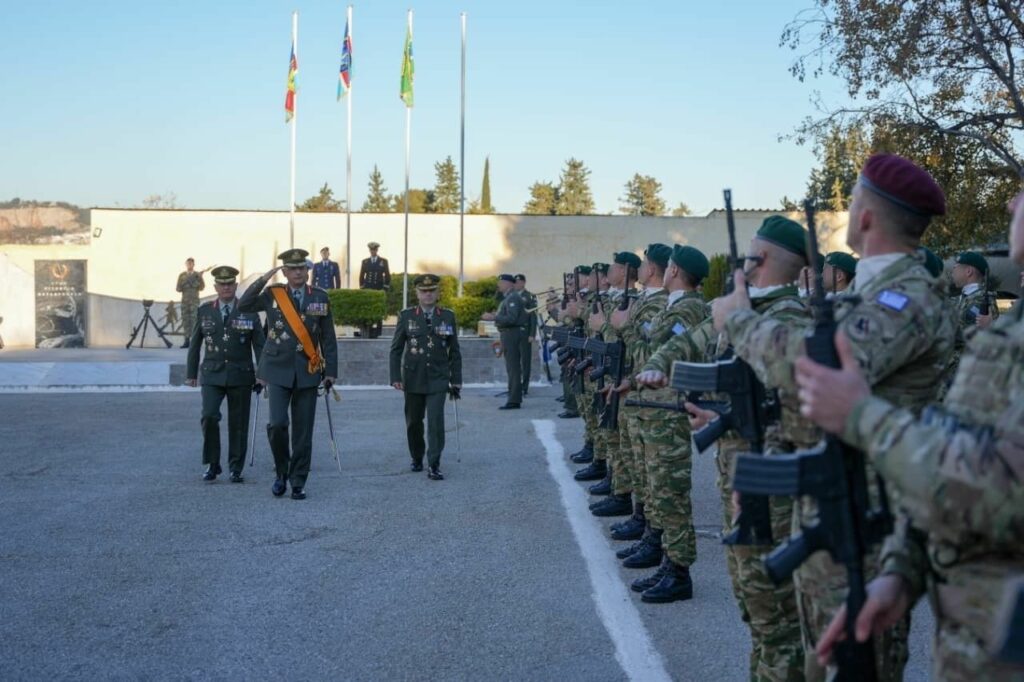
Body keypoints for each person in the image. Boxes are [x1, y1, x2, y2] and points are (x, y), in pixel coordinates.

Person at [712, 154, 954, 681]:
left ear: (864, 215)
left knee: (855, 666)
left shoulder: (906, 297)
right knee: (815, 657)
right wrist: (768, 465)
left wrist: (741, 323)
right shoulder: (867, 294)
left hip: (869, 525)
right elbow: (810, 403)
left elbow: (816, 369)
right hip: (830, 500)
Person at [795, 189, 1024, 682]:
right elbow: (963, 448)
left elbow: (1004, 489)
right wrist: (903, 572)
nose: (1010, 205)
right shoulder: (1009, 336)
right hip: (972, 648)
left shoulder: (921, 303)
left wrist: (863, 416)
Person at [238, 248, 338, 500]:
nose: (298, 273)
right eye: (292, 269)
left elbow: (328, 337)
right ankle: (281, 471)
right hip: (277, 369)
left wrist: (331, 372)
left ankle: (298, 480)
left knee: (303, 432)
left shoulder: (320, 297)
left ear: (307, 271)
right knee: (278, 424)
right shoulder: (273, 294)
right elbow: (244, 304)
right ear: (284, 272)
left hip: (307, 370)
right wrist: (263, 279)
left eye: (301, 268)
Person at [185, 266, 265, 483]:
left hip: (241, 374)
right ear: (215, 287)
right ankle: (213, 463)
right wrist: (191, 372)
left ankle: (236, 467)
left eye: (230, 283)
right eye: (222, 284)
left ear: (236, 285)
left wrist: (263, 373)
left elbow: (260, 345)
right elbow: (195, 344)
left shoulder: (248, 310)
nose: (226, 287)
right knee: (209, 416)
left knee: (238, 422)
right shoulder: (205, 311)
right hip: (212, 374)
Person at [389, 274, 463, 480]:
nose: (428, 294)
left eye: (432, 291)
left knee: (436, 421)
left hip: (438, 377)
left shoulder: (447, 316)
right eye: (424, 291)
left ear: (438, 293)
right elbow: (396, 349)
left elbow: (454, 351)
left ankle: (434, 463)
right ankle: (417, 456)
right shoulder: (407, 316)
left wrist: (456, 379)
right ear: (417, 293)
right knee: (414, 422)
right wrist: (395, 376)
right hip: (413, 378)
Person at [484, 274, 530, 409]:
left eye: (501, 283)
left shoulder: (513, 298)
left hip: (512, 334)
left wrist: (494, 317)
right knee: (511, 368)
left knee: (513, 368)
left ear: (509, 284)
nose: (499, 285)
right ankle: (513, 397)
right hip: (509, 334)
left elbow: (512, 318)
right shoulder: (509, 297)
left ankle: (514, 400)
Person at [359, 242, 391, 338]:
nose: (373, 251)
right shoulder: (365, 262)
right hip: (368, 289)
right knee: (368, 309)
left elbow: (387, 275)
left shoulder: (383, 261)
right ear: (369, 251)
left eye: (374, 250)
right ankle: (368, 329)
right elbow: (361, 275)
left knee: (378, 310)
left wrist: (385, 288)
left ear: (377, 250)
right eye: (371, 250)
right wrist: (362, 287)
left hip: (378, 289)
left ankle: (378, 331)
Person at [514, 274, 539, 396]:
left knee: (525, 361)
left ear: (523, 283)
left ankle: (524, 387)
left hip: (525, 333)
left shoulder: (530, 296)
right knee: (514, 361)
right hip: (513, 333)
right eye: (515, 282)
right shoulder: (512, 296)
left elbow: (533, 316)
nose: (516, 284)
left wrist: (532, 334)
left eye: (519, 282)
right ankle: (515, 385)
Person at [176, 258, 206, 348]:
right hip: (185, 302)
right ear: (186, 264)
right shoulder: (182, 275)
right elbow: (178, 289)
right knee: (185, 321)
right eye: (188, 263)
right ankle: (186, 341)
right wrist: (186, 282)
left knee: (194, 321)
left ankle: (194, 341)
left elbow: (202, 287)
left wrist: (199, 278)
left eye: (191, 263)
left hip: (194, 302)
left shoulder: (197, 275)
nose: (189, 265)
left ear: (193, 264)